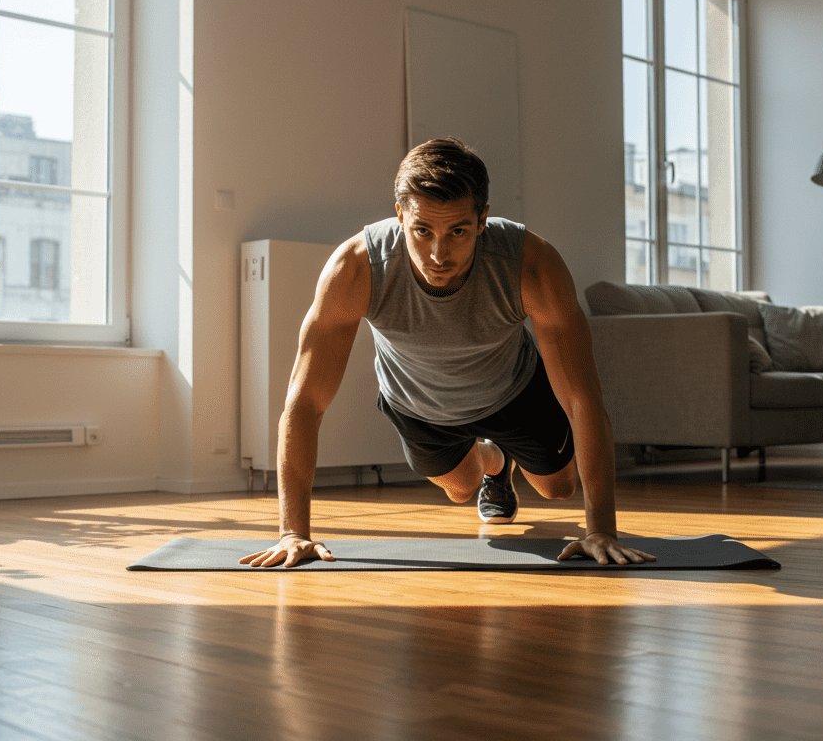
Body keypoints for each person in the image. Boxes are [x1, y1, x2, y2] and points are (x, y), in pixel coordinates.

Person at [240, 138, 656, 568]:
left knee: (559, 487)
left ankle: (507, 452)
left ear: (482, 220)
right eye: (422, 231)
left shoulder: (531, 265)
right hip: (418, 403)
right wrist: (293, 533)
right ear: (400, 216)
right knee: (461, 489)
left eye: (457, 231)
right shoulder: (356, 269)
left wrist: (601, 530)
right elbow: (305, 403)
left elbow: (583, 399)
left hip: (513, 391)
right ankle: (495, 461)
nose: (438, 255)